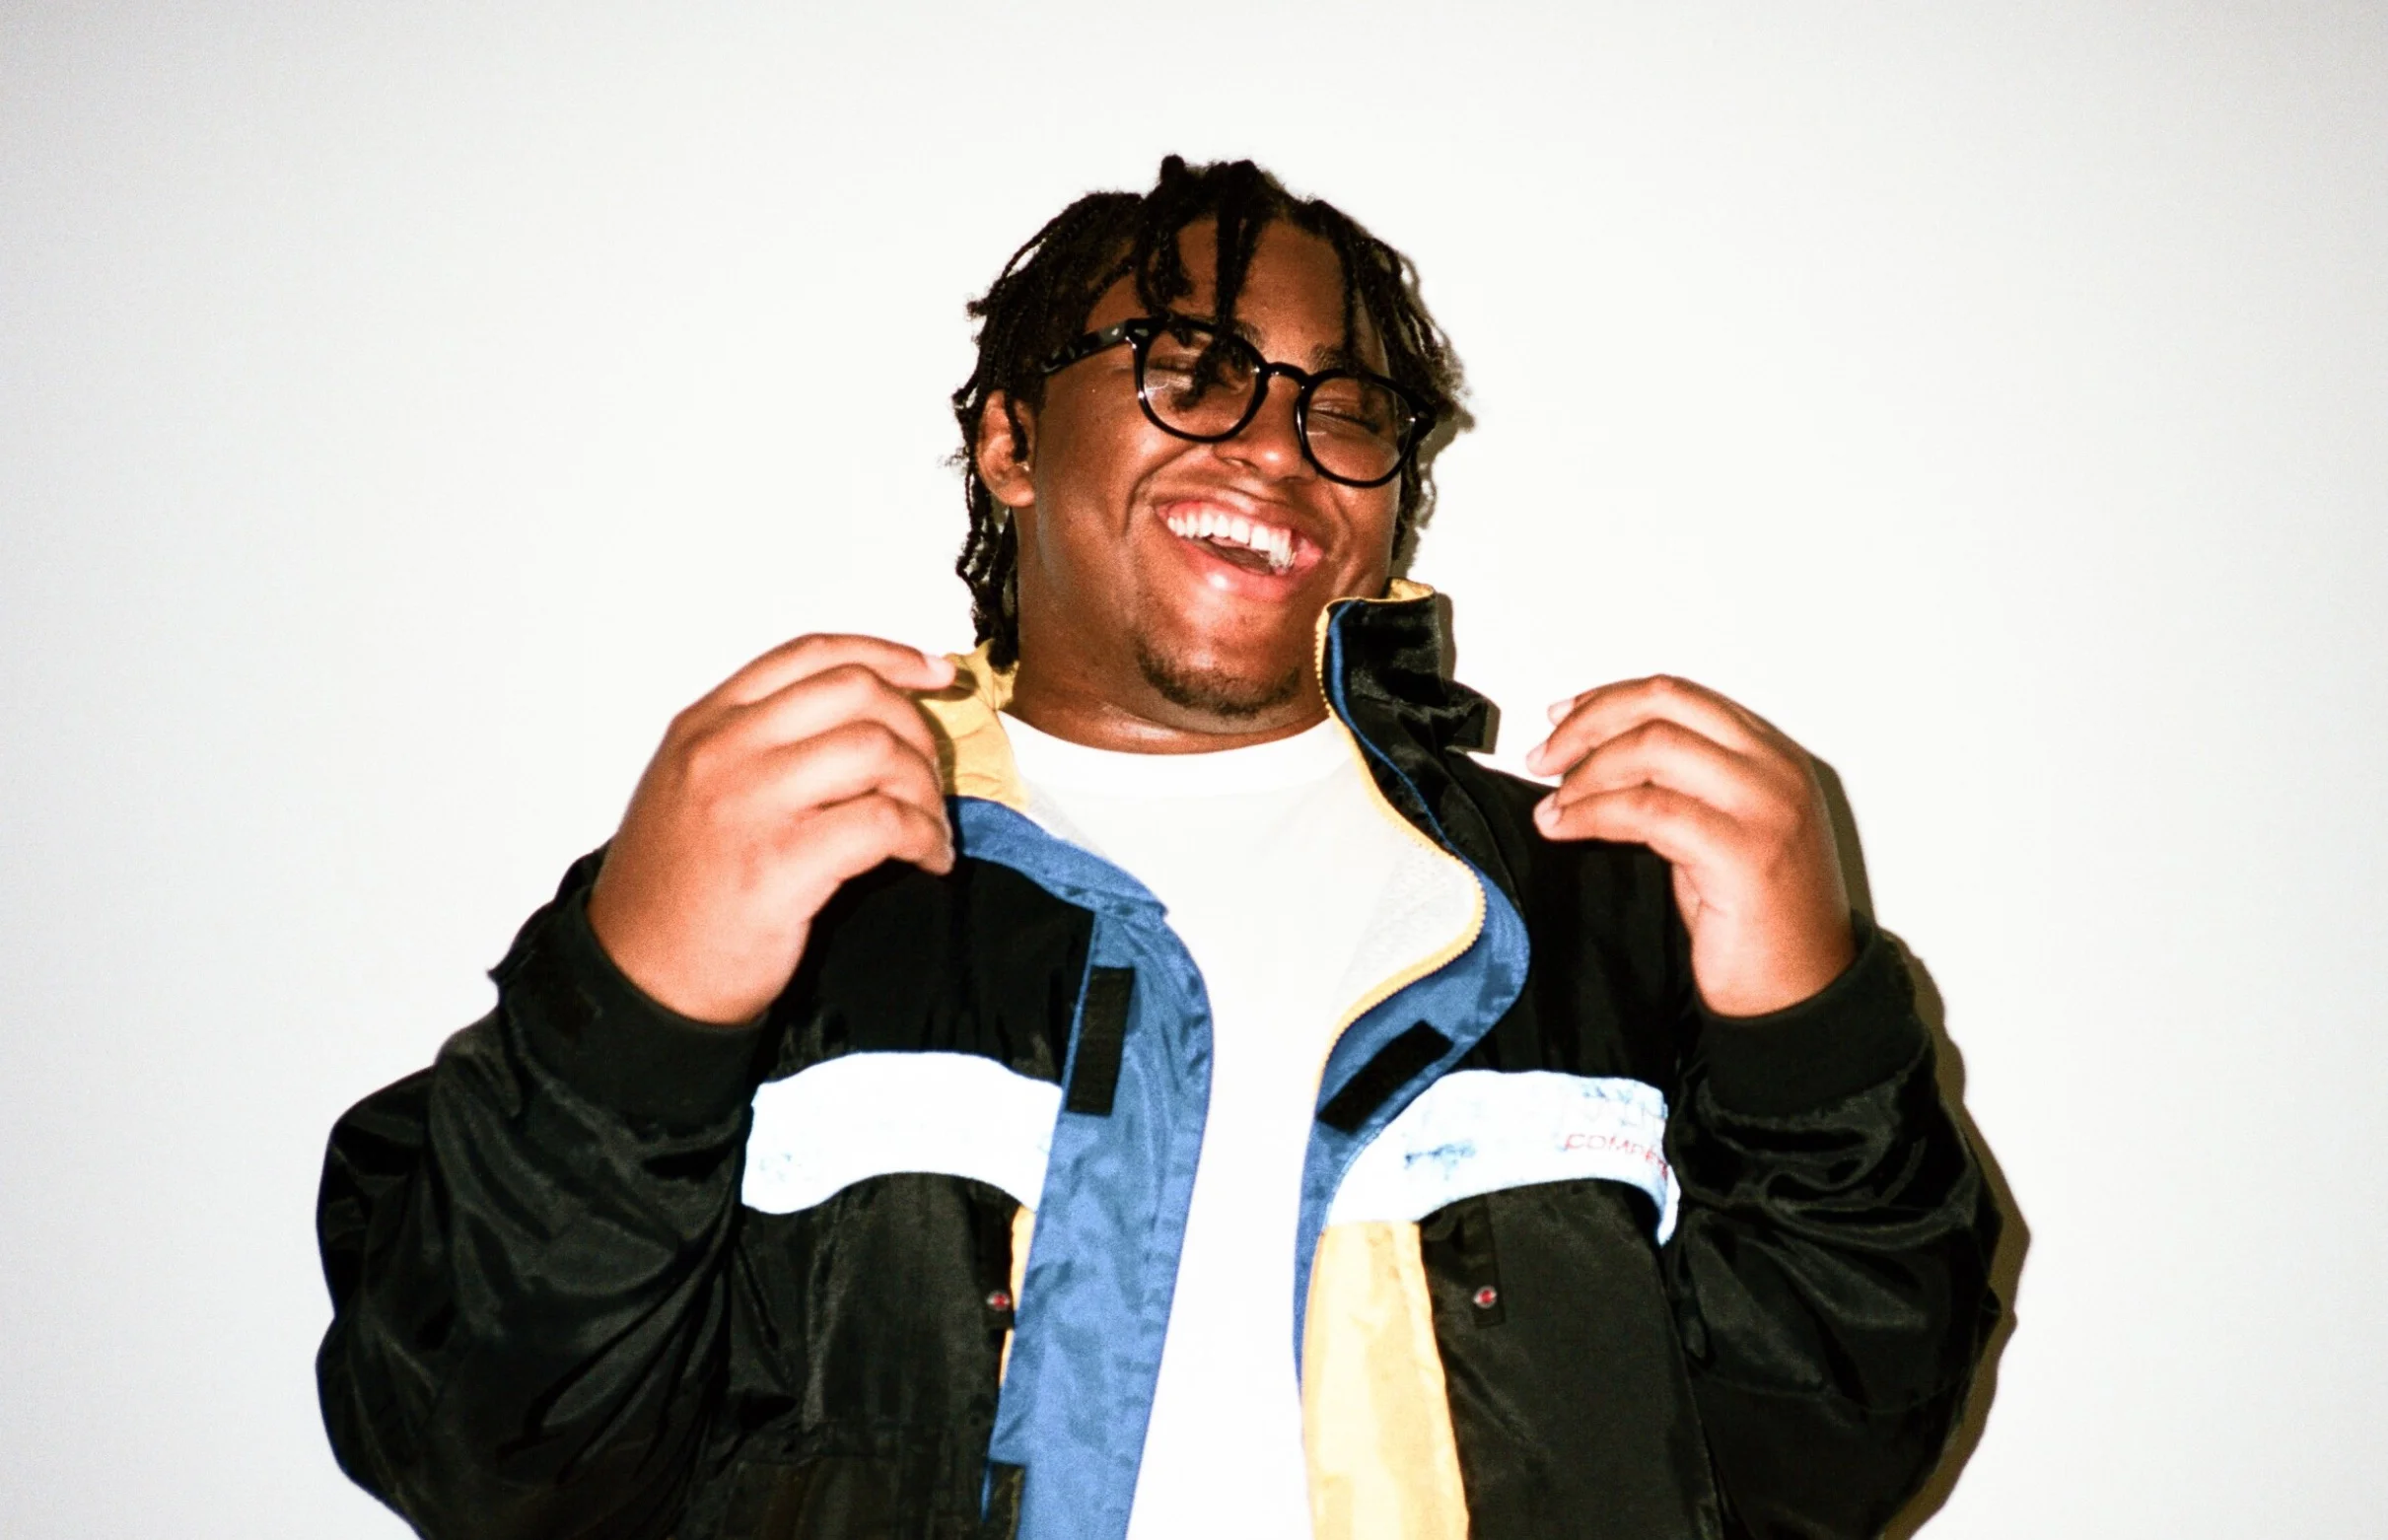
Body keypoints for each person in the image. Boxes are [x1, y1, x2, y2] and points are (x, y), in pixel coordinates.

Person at [316, 156, 2001, 1540]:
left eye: (1348, 411)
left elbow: (1821, 1467)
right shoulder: (785, 871)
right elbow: (482, 1453)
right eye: (1189, 370)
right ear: (1010, 439)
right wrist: (632, 1001)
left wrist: (1810, 1028)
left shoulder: (1592, 899)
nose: (1273, 445)